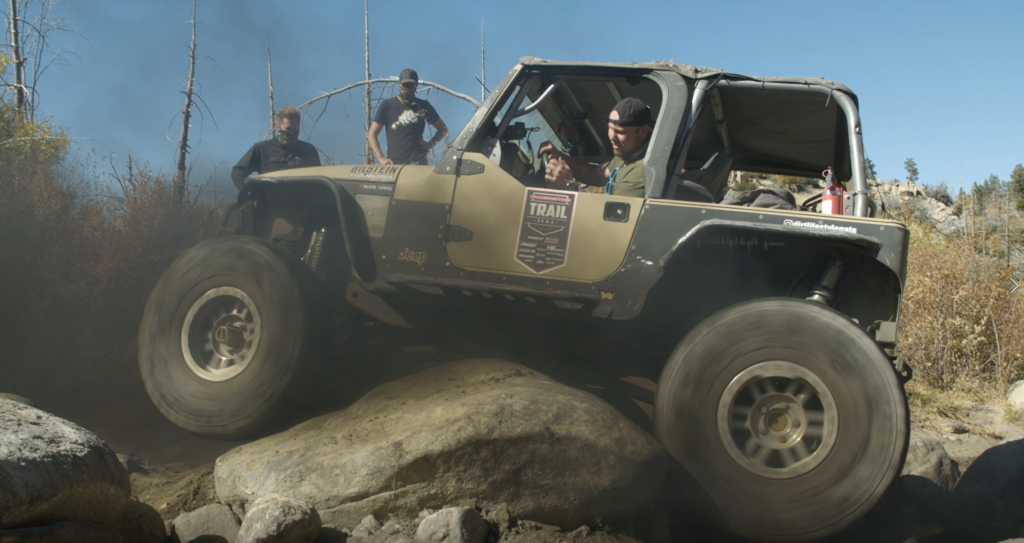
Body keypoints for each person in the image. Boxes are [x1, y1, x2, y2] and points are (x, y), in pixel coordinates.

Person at [539, 97, 653, 198]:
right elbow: (597, 174)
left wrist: (568, 185)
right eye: (610, 128)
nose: (612, 137)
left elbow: (608, 219)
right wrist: (560, 157)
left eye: (620, 131)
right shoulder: (628, 152)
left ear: (643, 131)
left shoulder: (641, 173)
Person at [367, 68, 448, 165]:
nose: (408, 87)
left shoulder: (423, 105)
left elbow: (443, 128)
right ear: (400, 83)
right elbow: (372, 134)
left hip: (418, 163)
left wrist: (430, 144)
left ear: (416, 85)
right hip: (394, 163)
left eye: (412, 85)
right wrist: (381, 158)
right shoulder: (388, 105)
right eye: (405, 84)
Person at [231, 106, 321, 191]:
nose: (292, 133)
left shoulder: (308, 150)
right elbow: (237, 171)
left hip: (302, 203)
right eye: (288, 129)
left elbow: (319, 180)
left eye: (295, 129)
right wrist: (249, 193)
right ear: (278, 126)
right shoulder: (262, 149)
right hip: (270, 203)